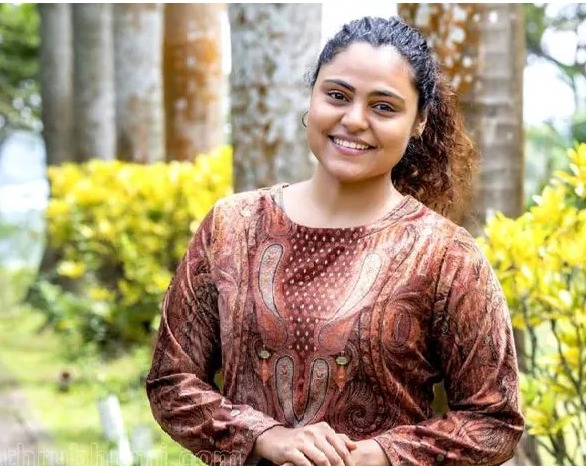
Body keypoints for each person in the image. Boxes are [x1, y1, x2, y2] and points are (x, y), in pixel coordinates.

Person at [146, 16, 524, 466]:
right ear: (312, 97)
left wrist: (379, 454)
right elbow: (171, 382)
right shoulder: (232, 227)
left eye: (383, 107)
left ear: (419, 121)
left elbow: (495, 420)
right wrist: (265, 436)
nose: (354, 120)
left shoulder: (446, 256)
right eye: (338, 96)